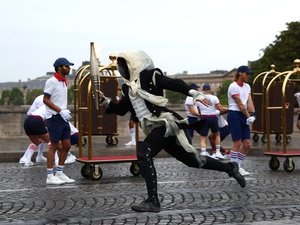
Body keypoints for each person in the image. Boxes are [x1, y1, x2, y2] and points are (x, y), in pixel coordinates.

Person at [98, 51, 246, 213]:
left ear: (133, 64)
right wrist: (105, 101)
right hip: (155, 130)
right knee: (191, 161)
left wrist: (194, 93)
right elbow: (121, 110)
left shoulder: (149, 76)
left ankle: (153, 201)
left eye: (122, 65)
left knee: (143, 152)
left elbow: (174, 83)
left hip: (165, 124)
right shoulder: (127, 87)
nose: (121, 69)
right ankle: (230, 168)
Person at [43, 57, 75, 185]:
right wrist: (59, 110)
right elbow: (46, 99)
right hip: (54, 117)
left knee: (67, 145)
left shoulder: (63, 82)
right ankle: (50, 176)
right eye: (67, 66)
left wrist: (64, 111)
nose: (69, 68)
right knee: (54, 146)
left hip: (62, 117)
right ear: (60, 67)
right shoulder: (52, 81)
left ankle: (60, 173)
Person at [227, 65, 256, 176]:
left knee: (247, 144)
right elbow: (240, 104)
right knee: (237, 143)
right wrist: (249, 116)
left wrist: (254, 114)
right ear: (240, 73)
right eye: (247, 74)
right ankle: (233, 168)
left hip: (244, 115)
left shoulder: (247, 86)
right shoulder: (233, 86)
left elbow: (249, 101)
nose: (248, 76)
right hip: (234, 114)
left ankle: (237, 166)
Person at [196, 83, 228, 158]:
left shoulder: (198, 99)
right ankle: (217, 152)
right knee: (217, 135)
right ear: (210, 89)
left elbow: (198, 111)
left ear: (203, 90)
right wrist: (229, 109)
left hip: (203, 118)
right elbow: (221, 109)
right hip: (212, 117)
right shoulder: (214, 98)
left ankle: (203, 152)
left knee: (203, 137)